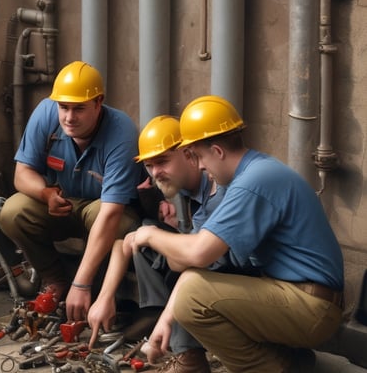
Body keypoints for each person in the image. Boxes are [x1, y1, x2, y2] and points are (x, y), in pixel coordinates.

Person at [138, 95, 344, 373]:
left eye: (198, 156)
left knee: (194, 296)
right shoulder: (255, 172)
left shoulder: (252, 182)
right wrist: (166, 320)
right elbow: (191, 265)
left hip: (310, 306)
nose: (199, 166)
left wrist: (148, 235)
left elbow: (198, 253)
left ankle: (273, 368)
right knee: (194, 284)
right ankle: (291, 360)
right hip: (297, 296)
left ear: (217, 151)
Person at [0, 60, 142, 322]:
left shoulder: (122, 132)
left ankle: (93, 293)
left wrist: (82, 284)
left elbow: (110, 213)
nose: (69, 117)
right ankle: (55, 281)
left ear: (99, 103)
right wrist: (45, 194)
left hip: (104, 209)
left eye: (79, 109)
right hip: (60, 203)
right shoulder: (46, 113)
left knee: (112, 219)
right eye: (63, 107)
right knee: (12, 211)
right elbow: (22, 174)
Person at [87, 115, 226, 373]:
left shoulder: (218, 193)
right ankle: (161, 322)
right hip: (211, 273)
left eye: (162, 162)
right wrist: (104, 299)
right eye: (149, 165)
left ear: (189, 154)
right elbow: (125, 243)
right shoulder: (185, 191)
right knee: (145, 234)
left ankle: (187, 356)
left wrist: (160, 239)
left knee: (182, 262)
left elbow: (196, 263)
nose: (155, 173)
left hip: (247, 286)